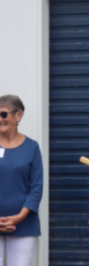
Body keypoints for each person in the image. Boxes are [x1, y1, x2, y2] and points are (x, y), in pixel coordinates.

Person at [0, 95, 43, 266]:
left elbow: (36, 187)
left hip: (23, 225)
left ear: (18, 115)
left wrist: (19, 217)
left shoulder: (31, 147)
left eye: (3, 114)